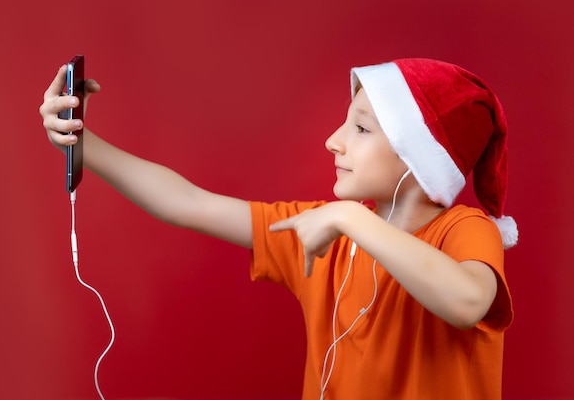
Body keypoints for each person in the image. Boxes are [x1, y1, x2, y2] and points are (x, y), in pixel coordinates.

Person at [40, 57, 517, 400]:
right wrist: (80, 142)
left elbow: (467, 301)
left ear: (421, 155)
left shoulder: (465, 229)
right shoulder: (324, 232)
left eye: (363, 129)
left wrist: (348, 217)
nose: (334, 141)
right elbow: (186, 202)